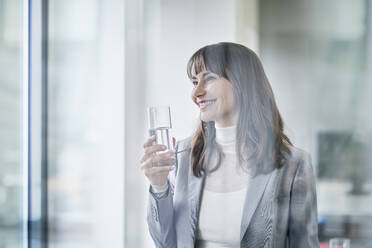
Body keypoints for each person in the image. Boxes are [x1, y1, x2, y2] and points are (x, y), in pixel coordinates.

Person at [140, 42, 319, 248]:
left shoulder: (292, 164)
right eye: (194, 81)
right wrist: (159, 185)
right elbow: (165, 243)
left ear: (243, 82)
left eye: (209, 79)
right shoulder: (184, 155)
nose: (196, 93)